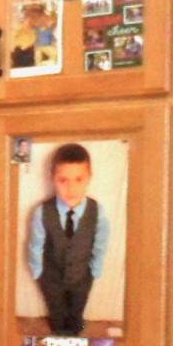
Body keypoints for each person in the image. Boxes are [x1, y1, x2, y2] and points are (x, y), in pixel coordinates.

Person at [25, 143, 108, 335]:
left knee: (77, 310)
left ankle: (74, 333)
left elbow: (101, 241)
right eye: (63, 180)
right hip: (51, 275)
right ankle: (60, 335)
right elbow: (35, 245)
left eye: (78, 179)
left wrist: (95, 270)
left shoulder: (97, 211)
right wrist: (38, 272)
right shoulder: (42, 212)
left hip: (82, 275)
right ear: (52, 179)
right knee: (57, 312)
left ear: (89, 178)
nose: (71, 188)